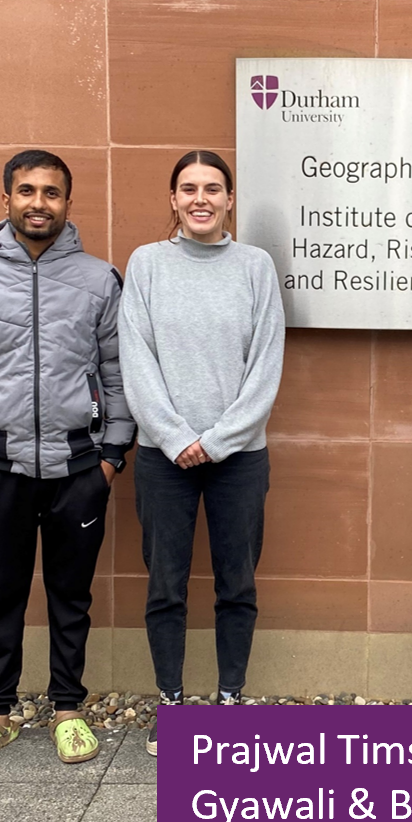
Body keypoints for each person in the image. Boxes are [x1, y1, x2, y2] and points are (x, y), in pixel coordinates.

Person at [0, 149, 131, 768]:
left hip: (77, 466)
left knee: (72, 594)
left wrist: (111, 456)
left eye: (51, 192)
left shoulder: (100, 280)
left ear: (68, 203)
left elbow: (120, 373)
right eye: (27, 191)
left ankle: (69, 707)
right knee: (3, 594)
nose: (38, 202)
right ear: (7, 199)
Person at [118, 150, 283, 757]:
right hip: (165, 459)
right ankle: (172, 700)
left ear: (231, 200)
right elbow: (135, 359)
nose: (201, 199)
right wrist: (176, 437)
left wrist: (214, 441)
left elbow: (265, 366)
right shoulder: (147, 265)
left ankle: (231, 697)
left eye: (213, 188)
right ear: (173, 199)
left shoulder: (255, 267)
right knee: (166, 584)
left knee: (236, 582)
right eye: (188, 188)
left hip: (240, 457)